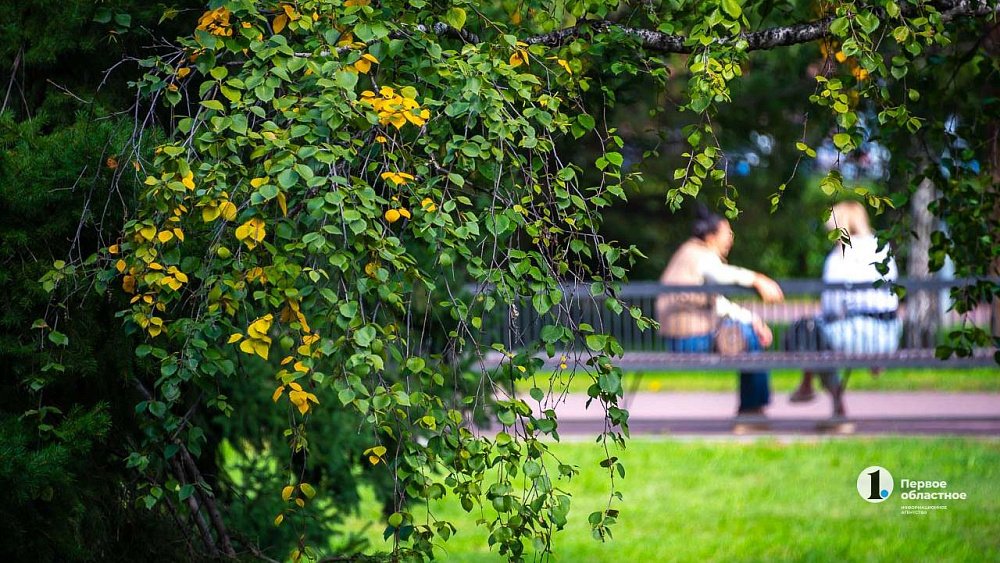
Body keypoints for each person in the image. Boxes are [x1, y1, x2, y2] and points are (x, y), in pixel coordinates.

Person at [656, 205, 784, 416]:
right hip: (690, 340)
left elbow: (718, 304)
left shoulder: (688, 253)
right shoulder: (701, 255)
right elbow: (722, 275)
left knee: (749, 332)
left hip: (680, 337)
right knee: (750, 338)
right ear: (710, 236)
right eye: (728, 233)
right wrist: (757, 279)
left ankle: (752, 409)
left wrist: (752, 319)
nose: (731, 239)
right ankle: (752, 410)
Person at [789, 201, 902, 416]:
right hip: (890, 334)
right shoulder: (882, 247)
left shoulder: (839, 255)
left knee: (811, 335)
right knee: (821, 337)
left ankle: (832, 400)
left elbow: (831, 306)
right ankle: (812, 385)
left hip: (857, 335)